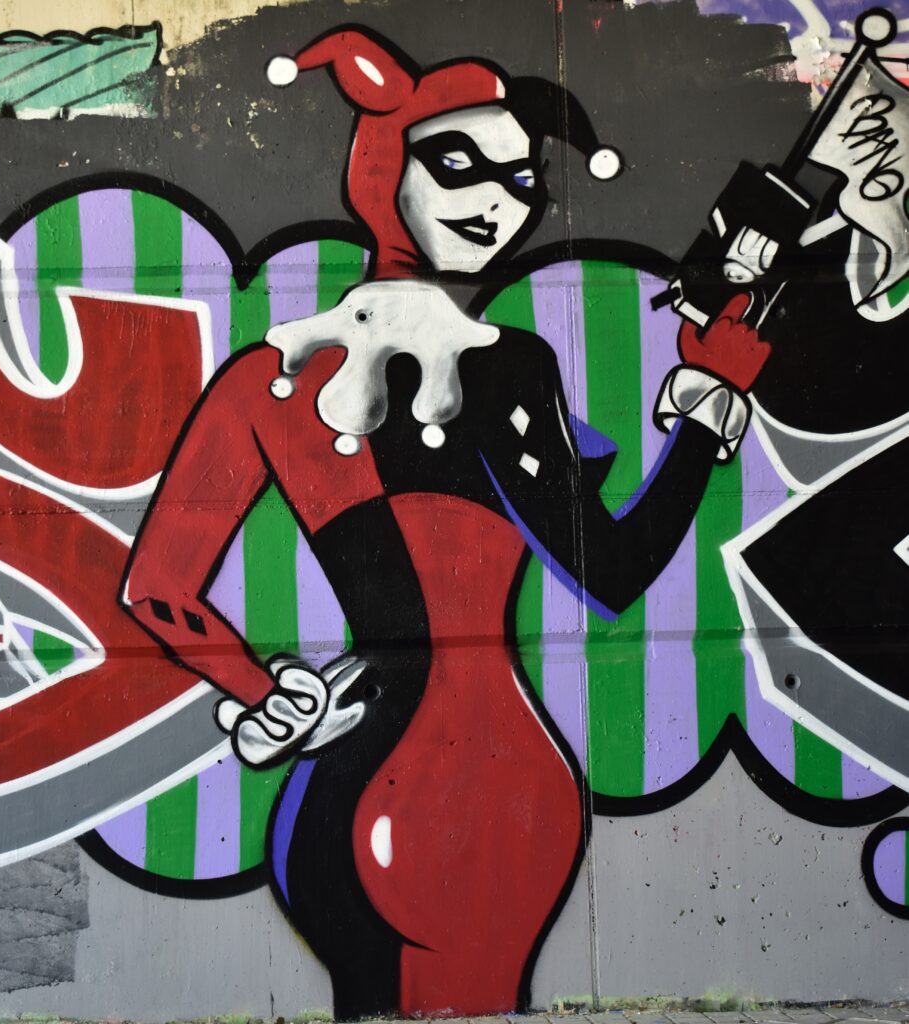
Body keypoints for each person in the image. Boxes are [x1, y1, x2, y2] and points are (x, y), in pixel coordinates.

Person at [120, 27, 770, 1020]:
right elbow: (613, 571)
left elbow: (155, 590)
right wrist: (703, 411)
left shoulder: (270, 374)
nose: (497, 200)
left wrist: (269, 692)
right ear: (383, 168)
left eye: (519, 178)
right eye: (458, 165)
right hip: (484, 798)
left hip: (323, 808)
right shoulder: (502, 367)